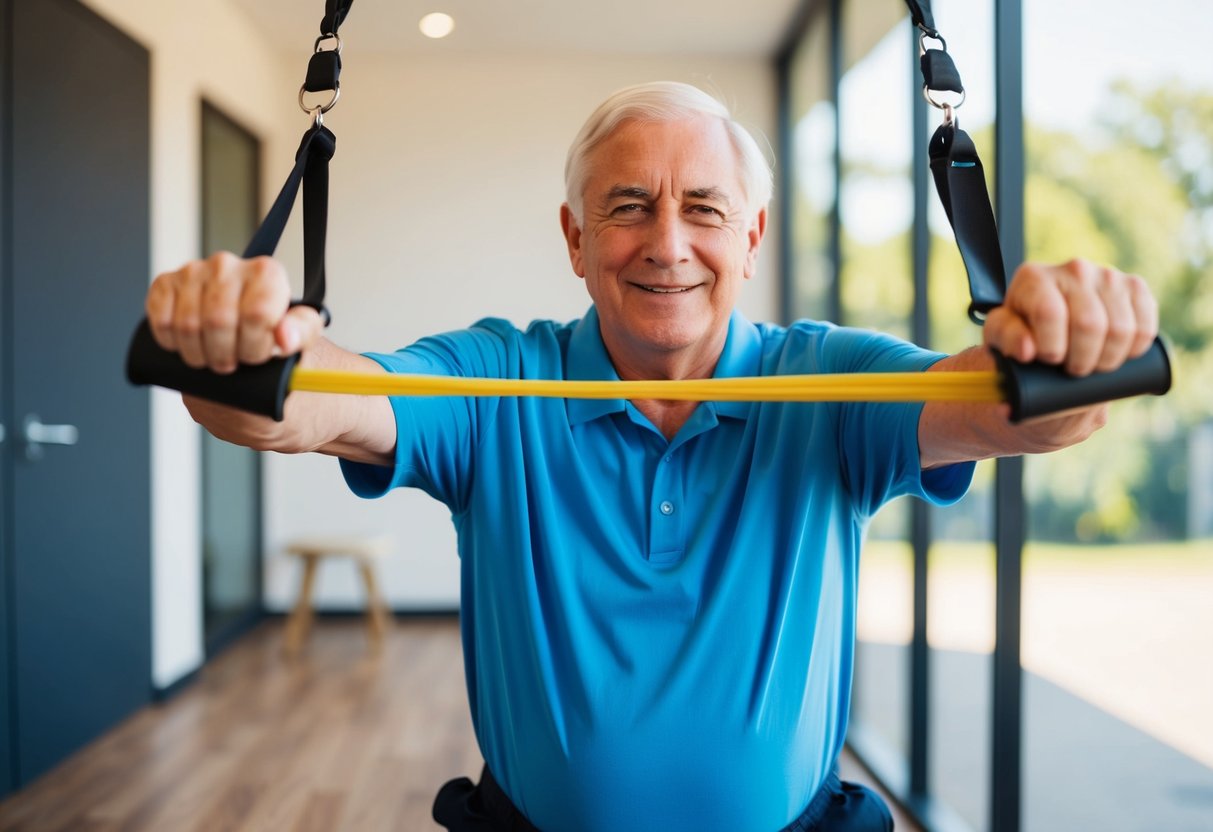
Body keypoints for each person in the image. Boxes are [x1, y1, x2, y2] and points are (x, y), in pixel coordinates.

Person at [144, 82, 1159, 831]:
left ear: (752, 235)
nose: (665, 243)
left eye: (704, 209)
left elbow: (1015, 415)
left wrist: (1069, 351)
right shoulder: (498, 379)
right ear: (575, 237)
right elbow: (309, 406)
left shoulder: (831, 379)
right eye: (628, 206)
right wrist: (242, 349)